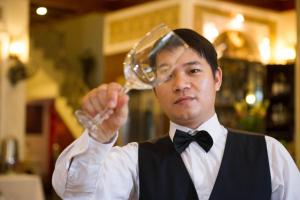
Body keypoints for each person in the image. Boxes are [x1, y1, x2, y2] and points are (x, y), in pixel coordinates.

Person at [52, 28, 300, 200]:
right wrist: (98, 137)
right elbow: (75, 193)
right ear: (155, 91)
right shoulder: (133, 160)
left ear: (217, 78)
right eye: (167, 75)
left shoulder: (270, 153)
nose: (180, 84)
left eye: (193, 71)